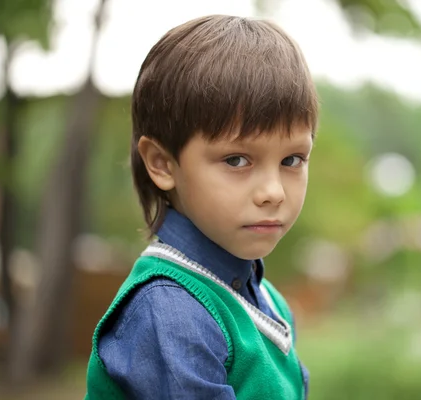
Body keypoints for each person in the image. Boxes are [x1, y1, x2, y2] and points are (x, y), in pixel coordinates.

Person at [85, 14, 319, 399]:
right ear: (162, 163)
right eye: (237, 160)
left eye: (292, 160)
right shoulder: (169, 311)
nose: (273, 192)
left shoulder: (263, 296)